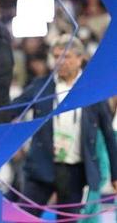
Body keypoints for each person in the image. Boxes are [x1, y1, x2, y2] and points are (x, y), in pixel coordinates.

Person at [12, 35, 117, 220]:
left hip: (74, 172)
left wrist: (115, 175)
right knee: (23, 218)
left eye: (66, 56)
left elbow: (109, 136)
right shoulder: (42, 86)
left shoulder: (92, 91)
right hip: (41, 166)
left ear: (80, 58)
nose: (60, 61)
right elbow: (13, 109)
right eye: (56, 56)